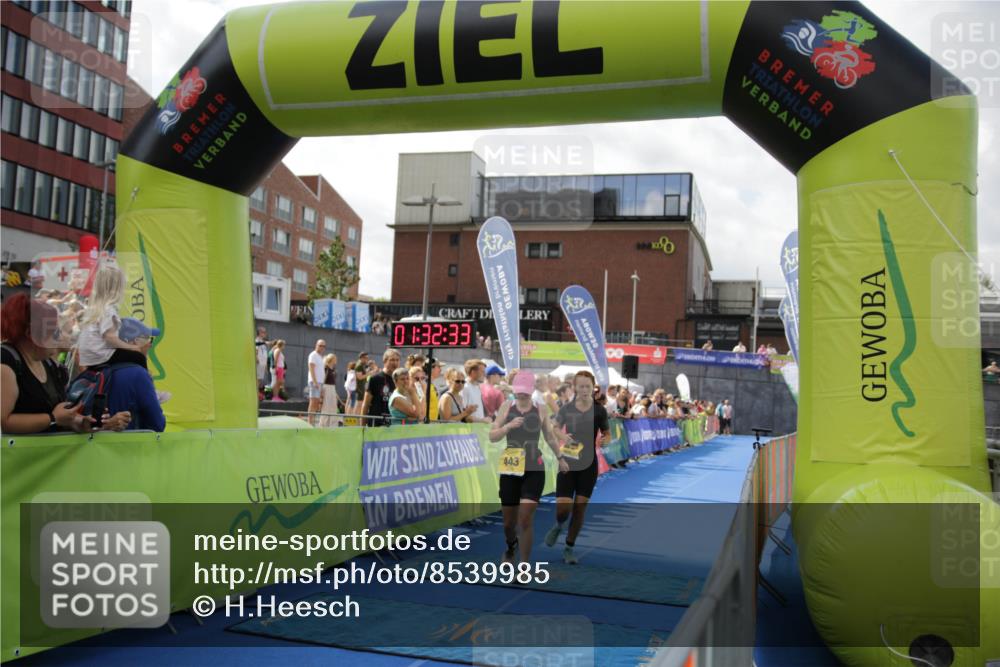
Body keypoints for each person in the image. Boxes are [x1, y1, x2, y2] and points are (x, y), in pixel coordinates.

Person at [1, 293, 130, 433]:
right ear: (31, 334)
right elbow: (3, 422)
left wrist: (85, 423)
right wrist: (52, 418)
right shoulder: (6, 361)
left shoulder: (49, 365)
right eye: (54, 332)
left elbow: (62, 417)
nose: (58, 337)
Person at [490, 371, 567, 564]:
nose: (522, 394)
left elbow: (549, 436)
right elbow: (492, 436)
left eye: (526, 391)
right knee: (508, 523)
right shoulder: (506, 406)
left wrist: (560, 457)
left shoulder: (541, 408)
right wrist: (508, 427)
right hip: (510, 468)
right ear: (514, 390)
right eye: (519, 391)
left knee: (525, 519)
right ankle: (511, 546)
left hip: (534, 468)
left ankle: (524, 565)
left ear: (532, 390)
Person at [544, 370, 610, 565]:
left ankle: (569, 547)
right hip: (568, 461)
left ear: (593, 387)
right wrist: (563, 437)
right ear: (574, 387)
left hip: (589, 464)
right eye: (580, 386)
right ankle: (559, 525)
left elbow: (607, 433)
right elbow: (555, 428)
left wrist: (605, 440)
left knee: (580, 508)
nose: (584, 389)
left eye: (587, 386)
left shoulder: (599, 410)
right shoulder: (567, 408)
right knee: (563, 509)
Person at [361, 348, 400, 426]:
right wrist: (362, 427)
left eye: (397, 360)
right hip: (376, 424)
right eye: (392, 360)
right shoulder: (374, 379)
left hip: (394, 424)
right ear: (385, 361)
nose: (395, 363)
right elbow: (365, 404)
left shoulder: (400, 380)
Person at [460, 359, 490, 423]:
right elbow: (462, 414)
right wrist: (482, 421)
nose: (485, 374)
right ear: (473, 372)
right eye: (482, 371)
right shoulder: (464, 388)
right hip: (469, 428)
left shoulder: (477, 386)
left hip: (479, 427)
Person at [306, 339, 327, 424]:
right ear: (316, 345)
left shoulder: (320, 356)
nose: (322, 347)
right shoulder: (313, 355)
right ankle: (310, 422)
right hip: (315, 382)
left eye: (323, 346)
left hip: (319, 382)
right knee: (313, 401)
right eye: (320, 345)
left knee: (316, 402)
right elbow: (311, 368)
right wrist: (315, 382)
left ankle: (312, 421)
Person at [319, 353, 340, 427]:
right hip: (327, 388)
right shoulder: (326, 368)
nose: (336, 360)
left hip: (332, 388)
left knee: (333, 406)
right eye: (335, 358)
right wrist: (321, 392)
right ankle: (324, 424)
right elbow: (323, 380)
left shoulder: (332, 369)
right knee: (326, 406)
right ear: (331, 359)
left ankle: (332, 424)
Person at [255, 327, 269, 394]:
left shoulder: (262, 342)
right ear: (260, 332)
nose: (265, 334)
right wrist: (257, 358)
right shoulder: (257, 340)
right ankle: (256, 393)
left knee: (259, 379)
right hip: (259, 363)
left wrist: (265, 364)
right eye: (264, 332)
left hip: (262, 363)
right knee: (257, 379)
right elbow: (256, 349)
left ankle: (257, 393)